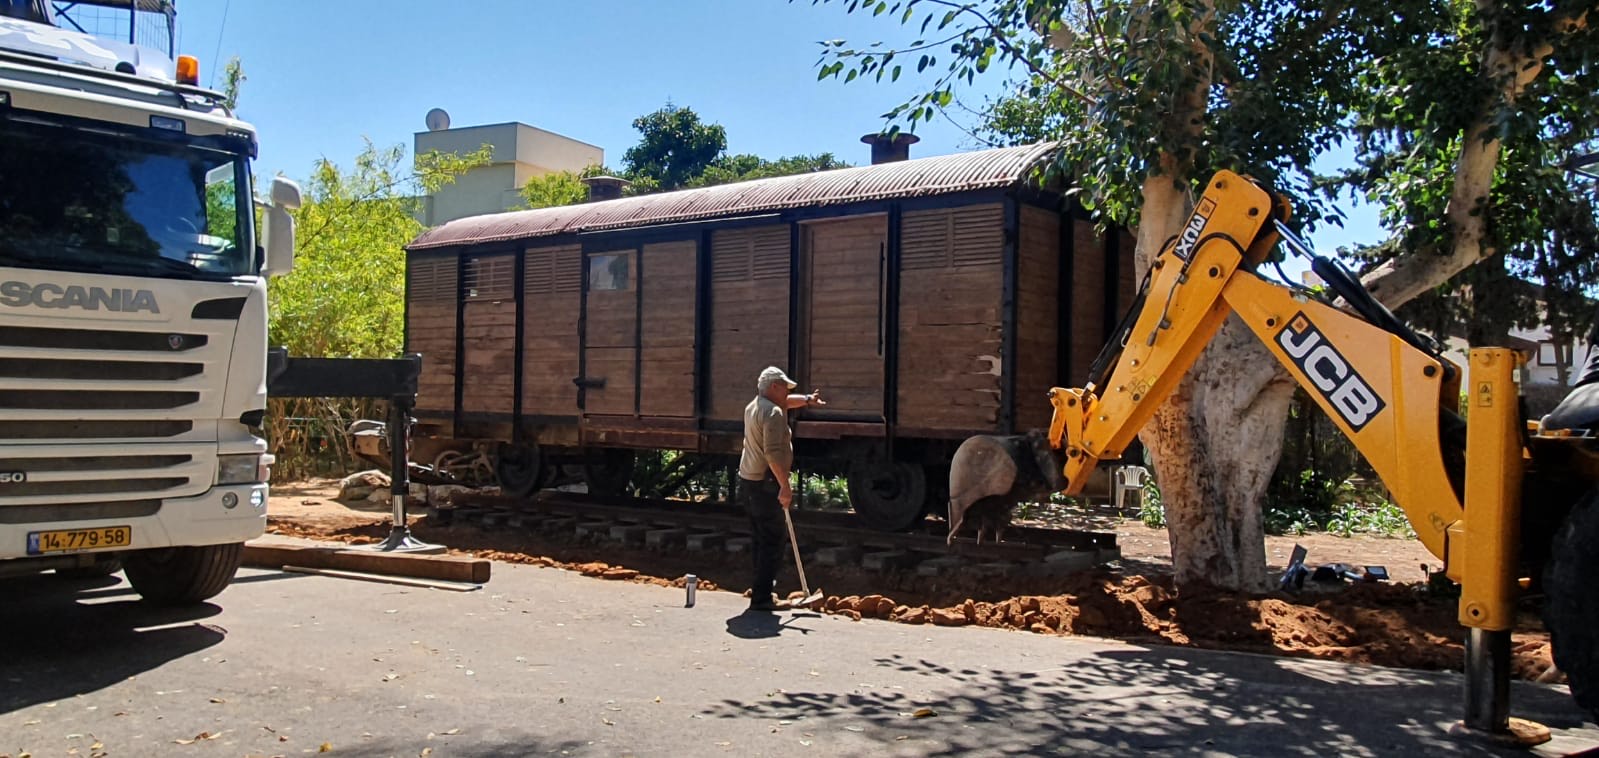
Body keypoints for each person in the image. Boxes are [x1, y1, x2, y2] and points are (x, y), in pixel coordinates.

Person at [738, 366, 825, 612]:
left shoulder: (754, 406)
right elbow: (773, 454)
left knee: (760, 539)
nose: (787, 391)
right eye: (784, 387)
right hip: (766, 482)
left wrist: (807, 399)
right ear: (774, 387)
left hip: (749, 480)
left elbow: (788, 402)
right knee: (773, 541)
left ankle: (760, 589)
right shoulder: (773, 412)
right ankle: (763, 599)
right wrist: (784, 486)